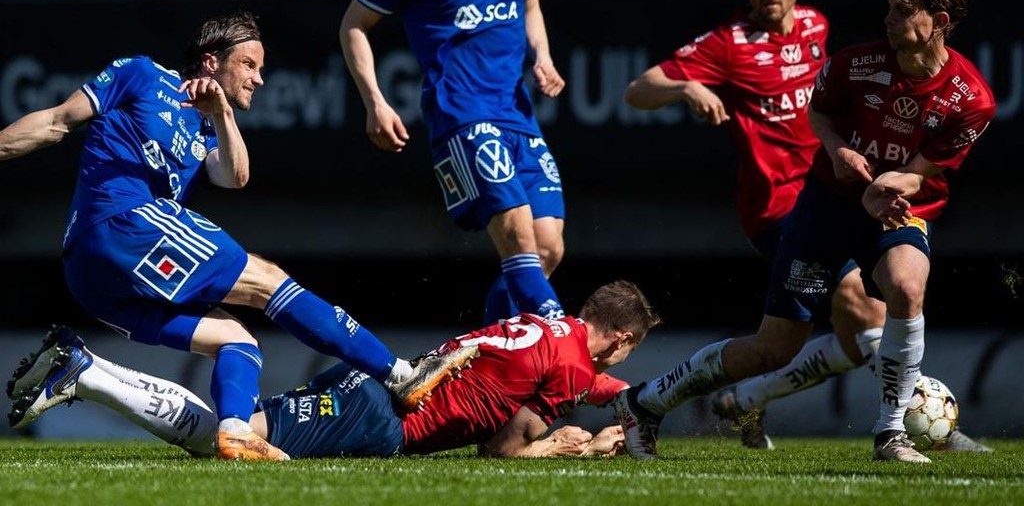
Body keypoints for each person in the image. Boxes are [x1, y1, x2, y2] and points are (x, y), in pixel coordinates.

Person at [0, 10, 475, 461]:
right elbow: (57, 121)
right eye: (249, 64)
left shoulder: (207, 128)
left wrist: (223, 114)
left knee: (237, 342)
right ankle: (401, 375)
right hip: (123, 221)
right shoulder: (142, 74)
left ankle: (232, 430)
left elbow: (235, 176)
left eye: (261, 68)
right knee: (268, 279)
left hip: (96, 281)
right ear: (211, 61)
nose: (259, 78)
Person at [613, 0, 996, 463]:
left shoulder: (973, 99)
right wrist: (837, 150)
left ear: (939, 22)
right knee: (775, 347)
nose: (888, 18)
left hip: (895, 207)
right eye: (888, 7)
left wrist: (886, 184)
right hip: (823, 210)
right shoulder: (854, 63)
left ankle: (890, 434)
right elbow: (819, 112)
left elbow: (918, 172)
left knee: (904, 287)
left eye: (902, 10)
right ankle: (646, 401)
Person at [9, 280, 660, 460]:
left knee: (237, 433)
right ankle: (85, 371)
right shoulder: (572, 363)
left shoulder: (550, 328)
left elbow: (583, 382)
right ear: (623, 337)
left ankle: (84, 372)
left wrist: (628, 398)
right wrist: (576, 447)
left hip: (374, 388)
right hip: (383, 418)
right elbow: (503, 451)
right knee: (229, 441)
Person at [339, 0, 566, 324]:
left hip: (517, 112)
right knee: (519, 239)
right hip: (462, 113)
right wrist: (374, 101)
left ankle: (486, 358)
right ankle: (562, 339)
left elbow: (529, 1)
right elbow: (353, 25)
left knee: (548, 248)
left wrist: (542, 55)